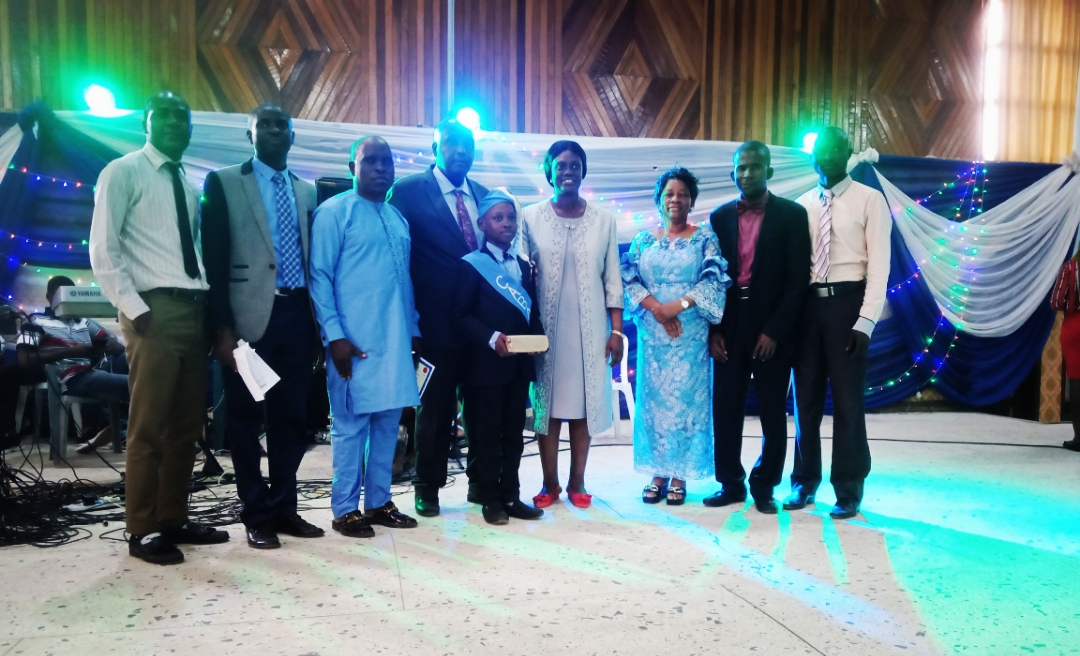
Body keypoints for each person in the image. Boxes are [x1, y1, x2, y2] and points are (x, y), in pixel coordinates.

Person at [89, 91, 229, 565]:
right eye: (163, 114)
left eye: (181, 116)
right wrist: (134, 307)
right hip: (154, 310)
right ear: (145, 124)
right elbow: (102, 247)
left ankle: (173, 518)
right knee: (148, 427)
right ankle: (142, 528)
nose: (173, 122)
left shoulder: (186, 183)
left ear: (190, 128)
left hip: (193, 308)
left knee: (186, 427)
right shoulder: (123, 171)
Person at [201, 103, 323, 550]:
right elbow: (212, 261)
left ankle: (285, 508)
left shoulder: (307, 191)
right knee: (246, 420)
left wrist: (318, 329)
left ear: (292, 135)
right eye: (264, 125)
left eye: (281, 125)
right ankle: (256, 515)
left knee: (292, 419)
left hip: (297, 318)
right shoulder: (224, 182)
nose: (273, 130)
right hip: (248, 324)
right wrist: (222, 330)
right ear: (249, 135)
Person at [310, 135, 420, 538]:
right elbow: (319, 277)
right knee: (350, 426)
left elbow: (404, 281)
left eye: (386, 161)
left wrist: (413, 330)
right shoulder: (334, 212)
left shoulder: (397, 218)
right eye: (370, 160)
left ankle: (377, 502)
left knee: (389, 424)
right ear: (351, 168)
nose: (380, 168)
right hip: (352, 342)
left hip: (395, 339)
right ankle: (344, 510)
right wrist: (334, 335)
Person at [784, 126, 891, 520]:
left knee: (848, 403)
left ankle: (848, 488)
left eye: (835, 149)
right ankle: (804, 481)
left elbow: (880, 266)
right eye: (821, 150)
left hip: (848, 306)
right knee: (804, 402)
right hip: (807, 309)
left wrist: (866, 321)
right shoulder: (800, 205)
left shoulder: (870, 200)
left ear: (848, 153)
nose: (827, 156)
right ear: (812, 157)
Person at [388, 119, 490, 518]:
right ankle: (426, 487)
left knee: (480, 409)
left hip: (480, 325)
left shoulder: (483, 195)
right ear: (435, 148)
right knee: (434, 409)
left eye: (467, 144)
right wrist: (406, 321)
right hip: (432, 324)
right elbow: (395, 258)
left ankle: (481, 485)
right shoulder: (409, 191)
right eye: (452, 143)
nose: (461, 150)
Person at [706, 142, 811, 514]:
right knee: (726, 407)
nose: (747, 173)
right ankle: (730, 483)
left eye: (754, 166)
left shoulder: (792, 215)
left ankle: (765, 485)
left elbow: (798, 280)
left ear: (769, 171)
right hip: (730, 320)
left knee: (771, 410)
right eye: (741, 167)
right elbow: (711, 279)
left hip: (771, 322)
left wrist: (775, 331)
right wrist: (714, 330)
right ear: (732, 173)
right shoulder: (719, 217)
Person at [520, 140, 624, 509]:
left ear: (583, 171)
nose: (568, 171)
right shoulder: (529, 217)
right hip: (544, 332)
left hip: (591, 330)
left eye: (575, 165)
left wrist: (616, 331)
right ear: (549, 171)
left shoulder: (603, 220)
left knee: (583, 407)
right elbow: (519, 275)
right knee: (547, 409)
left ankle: (577, 482)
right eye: (560, 165)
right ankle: (549, 484)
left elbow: (613, 279)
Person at [622, 168, 730, 505]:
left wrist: (677, 306)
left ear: (692, 200)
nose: (676, 199)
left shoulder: (705, 239)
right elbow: (628, 280)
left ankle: (680, 474)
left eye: (683, 194)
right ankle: (658, 472)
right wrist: (659, 309)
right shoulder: (643, 240)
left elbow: (713, 280)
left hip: (690, 333)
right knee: (654, 402)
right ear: (659, 200)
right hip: (654, 334)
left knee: (687, 403)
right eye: (669, 193)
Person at [452, 190, 546, 525]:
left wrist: (537, 339)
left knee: (514, 436)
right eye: (498, 218)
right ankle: (489, 497)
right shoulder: (470, 265)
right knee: (487, 435)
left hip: (518, 367)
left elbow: (531, 311)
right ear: (482, 224)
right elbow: (460, 315)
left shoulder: (523, 266)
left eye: (510, 218)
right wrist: (492, 338)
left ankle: (511, 495)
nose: (506, 223)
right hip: (484, 367)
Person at [30, 276, 129, 453]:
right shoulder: (37, 321)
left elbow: (115, 345)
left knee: (126, 357)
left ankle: (121, 427)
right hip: (71, 376)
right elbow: (27, 359)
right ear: (49, 297)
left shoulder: (83, 321)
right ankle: (123, 427)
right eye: (60, 295)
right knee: (142, 384)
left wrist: (108, 346)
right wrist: (72, 351)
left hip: (92, 371)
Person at [1060, 251, 1080, 452]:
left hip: (1075, 326)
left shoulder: (1070, 268)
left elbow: (1056, 301)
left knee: (1076, 380)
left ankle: (1079, 437)